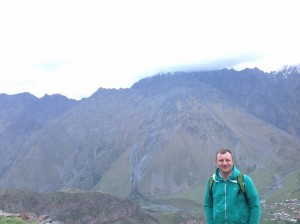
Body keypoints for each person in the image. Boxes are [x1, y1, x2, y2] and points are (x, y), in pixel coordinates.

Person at [204, 149, 261, 224]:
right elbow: (208, 205)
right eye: (221, 160)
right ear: (216, 162)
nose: (224, 163)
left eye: (227, 160)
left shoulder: (245, 180)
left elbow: (255, 206)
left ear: (232, 161)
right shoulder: (212, 181)